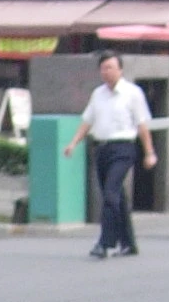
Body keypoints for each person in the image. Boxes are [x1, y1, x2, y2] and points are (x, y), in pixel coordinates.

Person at [66, 51, 155, 259]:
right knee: (117, 198)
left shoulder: (133, 93)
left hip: (123, 148)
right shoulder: (98, 94)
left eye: (110, 67)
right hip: (102, 148)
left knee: (109, 195)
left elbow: (142, 125)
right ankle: (129, 243)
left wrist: (149, 152)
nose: (106, 72)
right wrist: (73, 143)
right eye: (103, 68)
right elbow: (87, 121)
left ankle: (105, 242)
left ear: (120, 69)